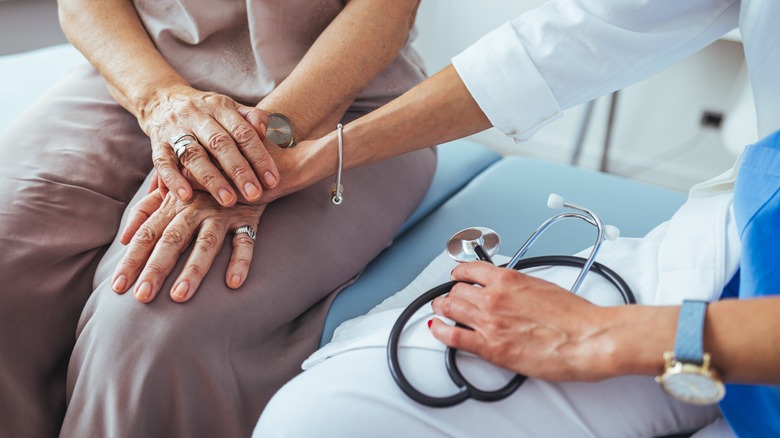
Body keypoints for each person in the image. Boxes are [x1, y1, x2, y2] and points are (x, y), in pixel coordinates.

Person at [245, 0, 780, 436]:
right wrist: (324, 153)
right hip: (734, 252)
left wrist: (605, 334)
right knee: (317, 420)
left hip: (725, 342)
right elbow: (580, 34)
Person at [0, 0, 437, 436]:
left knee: (149, 332)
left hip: (341, 100)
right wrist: (159, 99)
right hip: (139, 72)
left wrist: (251, 153)